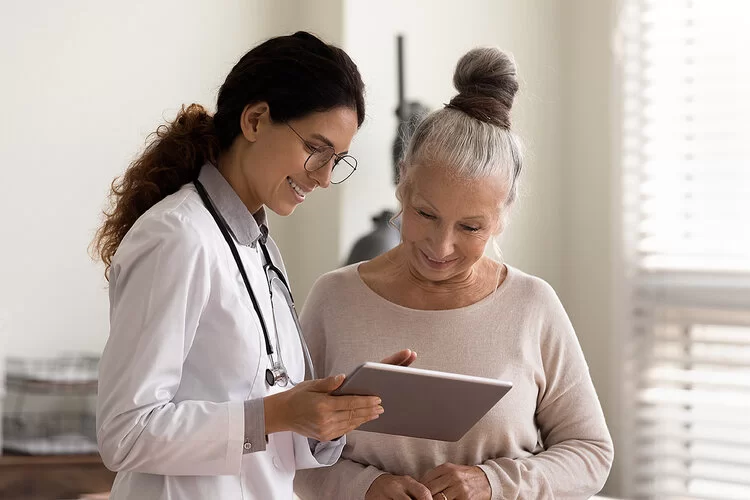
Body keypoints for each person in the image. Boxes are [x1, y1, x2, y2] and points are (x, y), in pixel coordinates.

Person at [92, 31, 413, 500]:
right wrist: (276, 414)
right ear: (256, 119)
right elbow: (126, 433)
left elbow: (265, 432)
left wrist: (328, 413)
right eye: (317, 150)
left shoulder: (257, 244)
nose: (324, 178)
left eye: (337, 161)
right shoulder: (176, 238)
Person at [294, 47, 614, 500]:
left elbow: (590, 453)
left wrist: (493, 483)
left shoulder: (532, 305)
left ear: (502, 217)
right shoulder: (335, 298)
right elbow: (290, 450)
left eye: (470, 227)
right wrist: (364, 487)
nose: (440, 247)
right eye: (425, 214)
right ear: (402, 183)